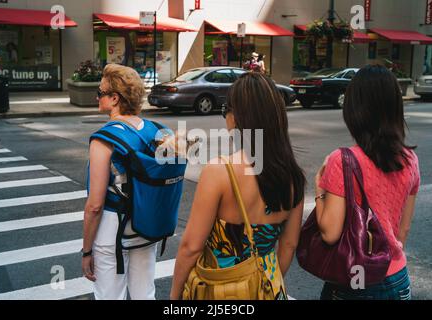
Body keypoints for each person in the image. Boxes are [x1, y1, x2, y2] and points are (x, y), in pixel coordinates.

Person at [170, 72, 306, 300]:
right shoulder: (294, 177)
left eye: (225, 111)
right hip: (269, 288)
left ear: (235, 117)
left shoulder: (219, 171)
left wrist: (174, 296)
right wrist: (265, 282)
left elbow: (191, 247)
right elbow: (289, 244)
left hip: (222, 292)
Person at [314, 65, 420, 300]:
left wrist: (319, 189)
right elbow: (402, 231)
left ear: (355, 109)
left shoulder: (342, 160)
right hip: (397, 277)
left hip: (356, 279)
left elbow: (330, 233)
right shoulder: (411, 160)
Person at [82, 64, 158, 300]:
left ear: (114, 99)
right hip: (146, 224)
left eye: (101, 92)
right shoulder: (153, 130)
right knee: (144, 294)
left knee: (109, 296)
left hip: (111, 231)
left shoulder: (104, 139)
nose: (97, 96)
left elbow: (95, 206)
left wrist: (86, 251)